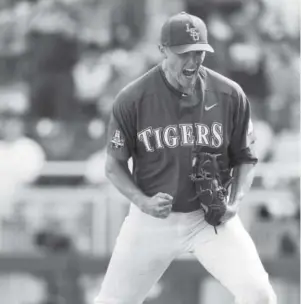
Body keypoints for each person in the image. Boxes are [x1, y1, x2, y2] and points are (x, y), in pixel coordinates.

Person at [95, 12, 276, 304]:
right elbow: (113, 166)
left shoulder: (229, 94)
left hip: (207, 219)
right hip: (152, 219)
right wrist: (142, 201)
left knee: (258, 294)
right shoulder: (133, 98)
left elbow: (245, 157)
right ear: (163, 50)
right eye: (183, 53)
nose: (192, 61)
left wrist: (234, 201)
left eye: (199, 52)